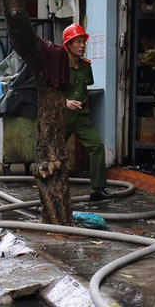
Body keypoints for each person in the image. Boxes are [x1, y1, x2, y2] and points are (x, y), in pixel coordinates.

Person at [62, 23, 112, 201]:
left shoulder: (85, 66)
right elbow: (49, 92)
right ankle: (52, 189)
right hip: (63, 116)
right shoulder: (60, 66)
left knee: (96, 147)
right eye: (78, 42)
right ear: (68, 45)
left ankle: (97, 190)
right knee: (54, 151)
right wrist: (65, 102)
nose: (82, 45)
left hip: (82, 116)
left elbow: (86, 85)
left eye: (83, 41)